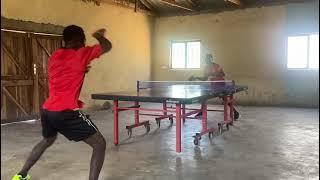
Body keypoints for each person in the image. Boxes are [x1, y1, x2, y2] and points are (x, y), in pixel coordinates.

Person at [12, 25, 112, 180]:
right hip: (66, 112)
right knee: (100, 144)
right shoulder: (81, 54)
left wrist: (81, 69)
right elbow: (107, 46)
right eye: (83, 41)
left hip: (47, 110)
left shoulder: (55, 55)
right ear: (80, 40)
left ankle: (21, 175)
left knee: (47, 140)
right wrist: (99, 36)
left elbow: (66, 70)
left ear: (64, 41)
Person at [189, 54, 239, 119]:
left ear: (211, 59)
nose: (207, 60)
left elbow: (223, 74)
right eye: (206, 59)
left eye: (209, 59)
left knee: (225, 99)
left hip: (220, 84)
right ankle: (202, 111)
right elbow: (204, 78)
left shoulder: (217, 66)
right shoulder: (206, 68)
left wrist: (213, 73)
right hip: (213, 85)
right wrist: (195, 77)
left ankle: (235, 112)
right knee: (203, 96)